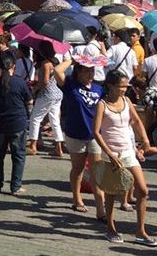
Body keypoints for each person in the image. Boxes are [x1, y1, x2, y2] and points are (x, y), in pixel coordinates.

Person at [92, 70, 157, 247]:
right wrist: (109, 153)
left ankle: (140, 231)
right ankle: (111, 228)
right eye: (121, 86)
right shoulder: (102, 105)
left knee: (143, 190)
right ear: (111, 86)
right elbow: (96, 132)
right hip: (111, 153)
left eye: (125, 86)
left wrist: (144, 139)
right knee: (112, 192)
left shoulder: (127, 101)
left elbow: (136, 121)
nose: (124, 89)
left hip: (128, 151)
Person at [57, 54, 106, 220]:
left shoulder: (99, 88)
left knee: (96, 171)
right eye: (86, 71)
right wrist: (73, 59)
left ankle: (101, 209)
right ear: (78, 72)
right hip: (75, 134)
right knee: (77, 168)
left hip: (94, 135)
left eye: (92, 71)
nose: (90, 74)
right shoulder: (70, 85)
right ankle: (77, 199)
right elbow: (57, 70)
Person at [0, 51, 33, 195]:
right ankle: (16, 186)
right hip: (17, 122)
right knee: (18, 155)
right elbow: (29, 100)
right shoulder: (20, 82)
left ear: (0, 65)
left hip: (0, 123)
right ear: (14, 65)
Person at [27, 42, 65, 157]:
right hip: (57, 93)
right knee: (55, 120)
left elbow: (45, 81)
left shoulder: (45, 63)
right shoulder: (56, 62)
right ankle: (59, 146)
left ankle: (33, 145)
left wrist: (35, 88)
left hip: (46, 94)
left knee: (35, 118)